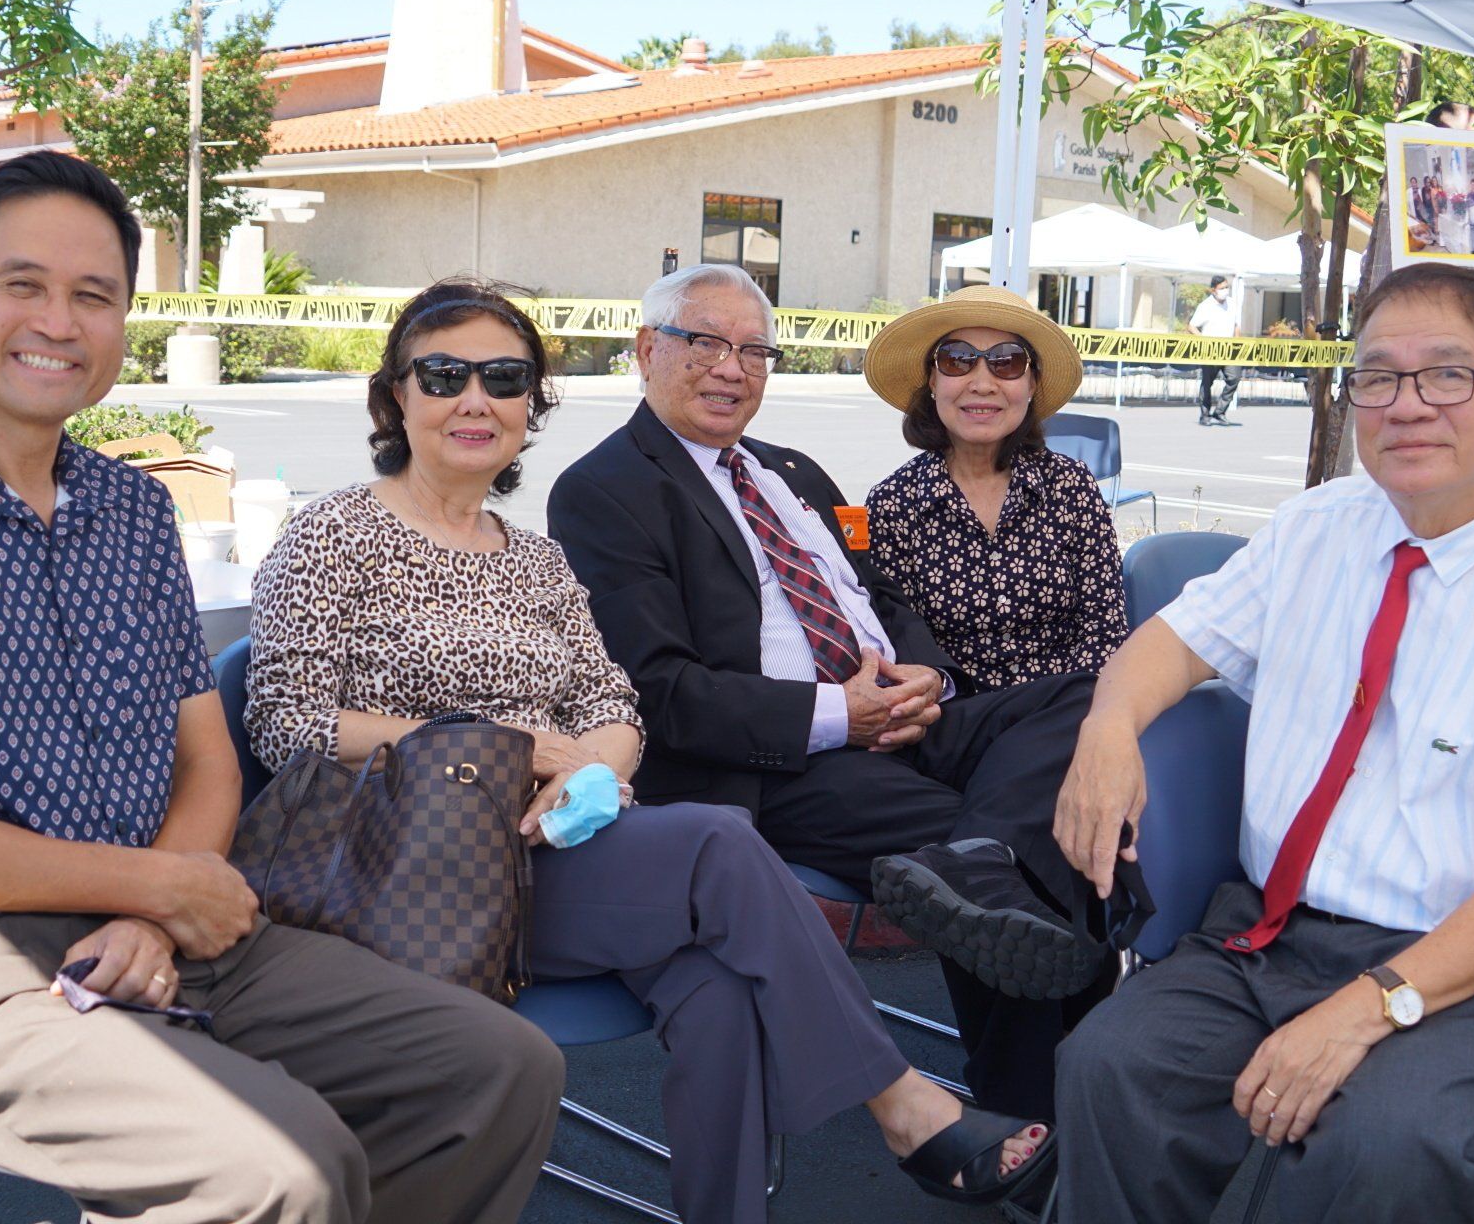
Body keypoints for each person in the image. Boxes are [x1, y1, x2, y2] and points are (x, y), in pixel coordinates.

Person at [0, 152, 566, 1224]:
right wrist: (154, 889)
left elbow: (206, 760)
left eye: (94, 296)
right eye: (24, 285)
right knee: (287, 1164)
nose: (59, 322)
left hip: (172, 930)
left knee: (498, 1067)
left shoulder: (133, 513)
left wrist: (156, 909)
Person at [245, 277, 1055, 1222]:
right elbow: (287, 721)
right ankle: (907, 1107)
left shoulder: (532, 557)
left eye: (504, 379)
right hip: (406, 864)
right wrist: (500, 745)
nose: (476, 399)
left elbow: (612, 700)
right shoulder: (333, 534)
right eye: (444, 375)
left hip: (545, 854)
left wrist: (594, 763)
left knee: (719, 992)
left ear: (529, 407)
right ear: (395, 396)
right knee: (718, 840)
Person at [1050, 261, 1474, 1222]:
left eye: (1450, 374)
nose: (1406, 405)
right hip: (1271, 929)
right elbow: (1170, 643)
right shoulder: (1318, 528)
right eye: (1378, 376)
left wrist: (1362, 1009)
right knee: (1111, 1066)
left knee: (1381, 1142)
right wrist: (1108, 729)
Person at [548, 262, 1110, 1132]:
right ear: (647, 349)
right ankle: (1035, 1119)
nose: (732, 369)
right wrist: (840, 715)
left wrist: (928, 675)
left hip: (903, 715)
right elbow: (661, 693)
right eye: (706, 343)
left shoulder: (793, 470)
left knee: (1087, 699)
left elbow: (882, 598)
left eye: (754, 351)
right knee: (1020, 862)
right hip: (780, 759)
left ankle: (983, 865)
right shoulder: (605, 490)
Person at [863, 284, 1128, 691]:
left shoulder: (1071, 486)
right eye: (957, 361)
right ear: (932, 380)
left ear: (1032, 384)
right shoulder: (893, 503)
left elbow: (1105, 631)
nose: (982, 384)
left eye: (1007, 362)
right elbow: (901, 646)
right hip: (953, 713)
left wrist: (1063, 707)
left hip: (1066, 707)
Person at [1188, 275, 1240, 426]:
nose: (1225, 290)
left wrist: (1237, 344)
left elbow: (1236, 325)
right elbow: (1191, 326)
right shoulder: (1205, 306)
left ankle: (1220, 412)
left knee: (1234, 378)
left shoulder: (1232, 304)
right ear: (1213, 290)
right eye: (1222, 288)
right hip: (1210, 350)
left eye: (1226, 287)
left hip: (1229, 350)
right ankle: (1205, 415)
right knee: (1207, 383)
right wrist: (1205, 340)